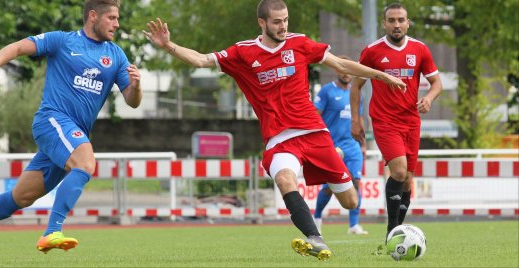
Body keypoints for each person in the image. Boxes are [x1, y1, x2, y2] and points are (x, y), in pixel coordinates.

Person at [143, 0, 405, 260]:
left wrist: (382, 76)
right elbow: (201, 60)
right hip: (280, 139)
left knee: (350, 201)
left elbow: (341, 65)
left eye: (286, 20)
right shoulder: (243, 53)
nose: (283, 27)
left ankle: (328, 165)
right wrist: (168, 45)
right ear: (262, 23)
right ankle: (315, 238)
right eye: (277, 22)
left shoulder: (300, 43)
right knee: (284, 179)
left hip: (314, 133)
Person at [0, 0, 142, 264]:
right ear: (93, 16)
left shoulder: (117, 55)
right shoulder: (62, 41)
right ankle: (52, 231)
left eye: (118, 18)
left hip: (70, 134)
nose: (117, 24)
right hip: (51, 121)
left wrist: (136, 85)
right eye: (111, 17)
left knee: (21, 197)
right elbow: (18, 47)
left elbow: (132, 100)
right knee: (86, 163)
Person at [350, 2, 443, 244]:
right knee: (399, 171)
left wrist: (429, 99)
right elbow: (356, 86)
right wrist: (356, 119)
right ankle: (392, 231)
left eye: (401, 20)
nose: (396, 24)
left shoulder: (420, 50)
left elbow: (437, 84)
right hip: (384, 120)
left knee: (407, 180)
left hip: (411, 121)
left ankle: (397, 235)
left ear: (408, 22)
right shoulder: (372, 51)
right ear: (384, 23)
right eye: (391, 20)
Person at [312, 55, 369, 235]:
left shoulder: (356, 92)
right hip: (333, 147)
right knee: (330, 187)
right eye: (342, 69)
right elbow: (315, 115)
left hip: (352, 146)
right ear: (337, 70)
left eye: (349, 70)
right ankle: (317, 217)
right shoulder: (326, 91)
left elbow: (359, 119)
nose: (346, 73)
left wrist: (364, 144)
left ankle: (353, 225)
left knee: (356, 182)